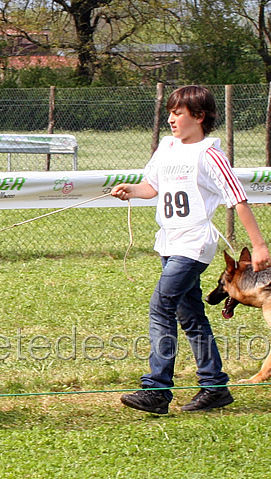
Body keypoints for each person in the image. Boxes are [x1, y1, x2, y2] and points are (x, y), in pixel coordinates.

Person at [111, 85, 270, 414]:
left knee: (161, 306)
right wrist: (132, 190)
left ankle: (157, 390)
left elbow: (238, 200)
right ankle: (214, 387)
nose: (170, 119)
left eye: (178, 113)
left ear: (199, 117)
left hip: (193, 245)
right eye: (169, 112)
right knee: (190, 315)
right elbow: (152, 187)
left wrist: (258, 245)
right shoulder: (166, 148)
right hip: (169, 242)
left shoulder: (210, 154)